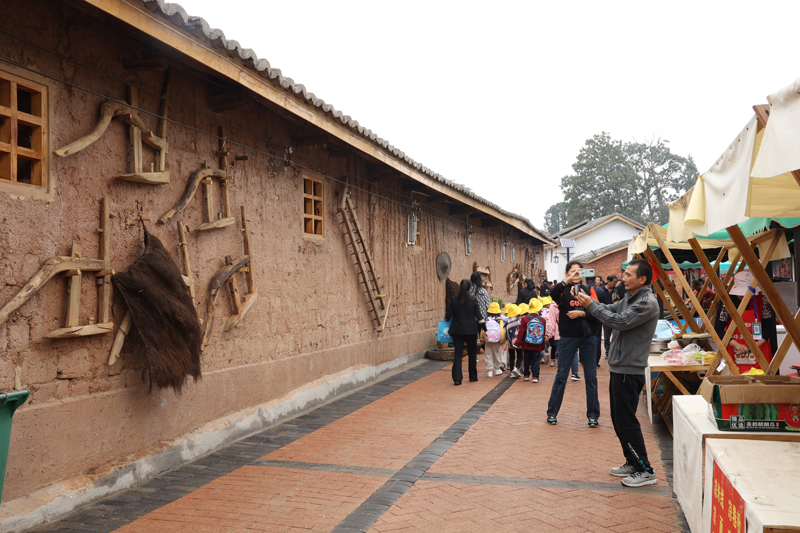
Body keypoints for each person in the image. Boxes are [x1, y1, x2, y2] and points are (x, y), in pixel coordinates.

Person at [576, 258, 660, 488]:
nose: (624, 278)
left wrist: (591, 306)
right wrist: (590, 304)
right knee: (618, 418)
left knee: (626, 421)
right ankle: (633, 462)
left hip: (629, 369)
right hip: (620, 366)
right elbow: (611, 310)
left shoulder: (646, 302)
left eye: (629, 275)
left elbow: (619, 321)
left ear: (642, 279)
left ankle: (645, 469)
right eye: (624, 274)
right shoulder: (631, 298)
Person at [546, 260, 601, 428]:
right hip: (568, 337)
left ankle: (593, 416)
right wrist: (566, 282)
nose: (577, 274)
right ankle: (552, 413)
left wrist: (582, 314)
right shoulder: (562, 291)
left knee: (591, 377)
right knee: (561, 376)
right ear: (567, 273)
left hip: (588, 337)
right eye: (573, 271)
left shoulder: (589, 290)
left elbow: (599, 312)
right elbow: (553, 294)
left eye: (579, 271)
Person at [713, 271, 775, 374]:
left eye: (746, 293)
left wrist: (757, 344)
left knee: (761, 380)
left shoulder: (762, 300)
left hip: (759, 348)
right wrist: (737, 344)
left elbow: (769, 326)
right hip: (734, 349)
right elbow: (718, 328)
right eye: (740, 293)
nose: (742, 296)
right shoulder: (727, 303)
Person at [445, 279, 486, 385]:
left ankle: (457, 379)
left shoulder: (454, 300)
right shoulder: (473, 300)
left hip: (457, 331)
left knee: (458, 354)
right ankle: (473, 376)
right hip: (471, 331)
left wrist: (448, 319)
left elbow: (448, 316)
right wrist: (485, 329)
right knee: (472, 354)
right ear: (469, 288)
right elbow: (479, 317)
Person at [519, 298, 547, 382]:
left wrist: (517, 343)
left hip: (526, 343)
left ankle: (526, 375)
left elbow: (521, 332)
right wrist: (542, 346)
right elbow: (543, 333)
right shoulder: (542, 320)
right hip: (537, 344)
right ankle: (535, 376)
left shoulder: (525, 319)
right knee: (536, 360)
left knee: (526, 359)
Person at [482, 302, 505, 377]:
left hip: (488, 340)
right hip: (496, 341)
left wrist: (482, 338)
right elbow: (502, 330)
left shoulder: (486, 320)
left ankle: (489, 371)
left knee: (488, 354)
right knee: (496, 353)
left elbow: (483, 330)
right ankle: (497, 369)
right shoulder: (499, 320)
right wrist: (501, 340)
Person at [505, 304, 524, 378]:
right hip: (518, 343)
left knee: (511, 357)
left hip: (510, 343)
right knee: (520, 356)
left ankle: (512, 372)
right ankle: (517, 368)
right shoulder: (519, 320)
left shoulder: (507, 321)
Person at [545, 298, 560, 368]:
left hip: (553, 334)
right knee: (557, 349)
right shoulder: (553, 307)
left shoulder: (552, 307)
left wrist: (548, 334)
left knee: (553, 348)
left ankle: (553, 361)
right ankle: (557, 362)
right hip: (557, 334)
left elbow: (551, 323)